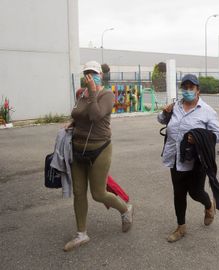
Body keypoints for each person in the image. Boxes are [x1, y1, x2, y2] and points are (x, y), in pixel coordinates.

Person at [64, 61, 133, 252]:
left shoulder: (106, 94)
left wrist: (93, 92)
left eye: (93, 73)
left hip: (100, 148)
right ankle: (81, 234)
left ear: (100, 75)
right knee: (79, 193)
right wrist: (71, 122)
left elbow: (95, 115)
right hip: (78, 149)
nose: (89, 76)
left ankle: (125, 210)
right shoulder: (80, 94)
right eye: (87, 72)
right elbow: (79, 114)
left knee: (98, 194)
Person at [157, 74, 219, 242]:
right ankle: (181, 227)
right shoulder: (176, 106)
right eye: (184, 88)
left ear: (197, 90)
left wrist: (199, 138)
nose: (187, 91)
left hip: (196, 161)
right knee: (178, 193)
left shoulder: (207, 111)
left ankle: (209, 205)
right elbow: (160, 120)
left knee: (195, 193)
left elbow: (218, 135)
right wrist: (165, 112)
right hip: (175, 157)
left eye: (190, 88)